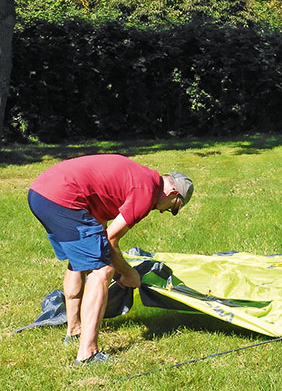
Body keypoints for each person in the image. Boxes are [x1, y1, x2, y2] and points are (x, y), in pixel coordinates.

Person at [27, 154, 194, 365]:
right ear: (172, 192)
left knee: (79, 263)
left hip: (40, 193)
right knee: (101, 271)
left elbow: (100, 226)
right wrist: (128, 273)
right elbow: (110, 239)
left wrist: (119, 266)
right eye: (173, 207)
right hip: (62, 198)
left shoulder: (139, 177)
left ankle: (74, 330)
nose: (164, 211)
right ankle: (88, 354)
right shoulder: (146, 192)